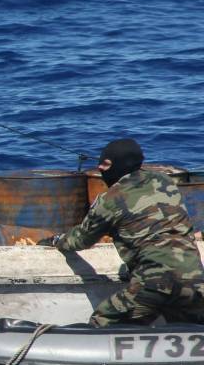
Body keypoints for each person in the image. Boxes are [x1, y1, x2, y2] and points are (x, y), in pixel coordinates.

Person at [35, 138, 204, 327]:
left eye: (104, 164)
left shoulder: (110, 199)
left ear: (114, 165)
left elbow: (80, 240)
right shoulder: (166, 182)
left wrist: (57, 240)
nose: (99, 168)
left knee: (102, 323)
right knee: (190, 327)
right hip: (194, 280)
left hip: (152, 283)